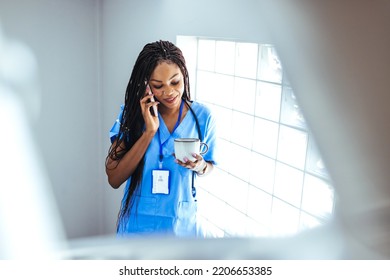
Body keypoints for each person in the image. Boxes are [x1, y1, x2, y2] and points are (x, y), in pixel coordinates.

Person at [105, 40, 217, 237]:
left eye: (175, 82)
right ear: (147, 84)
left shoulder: (203, 116)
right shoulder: (132, 115)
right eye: (158, 85)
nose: (169, 92)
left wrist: (199, 166)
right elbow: (114, 178)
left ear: (184, 75)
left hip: (181, 225)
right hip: (138, 227)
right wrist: (149, 132)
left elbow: (209, 166)